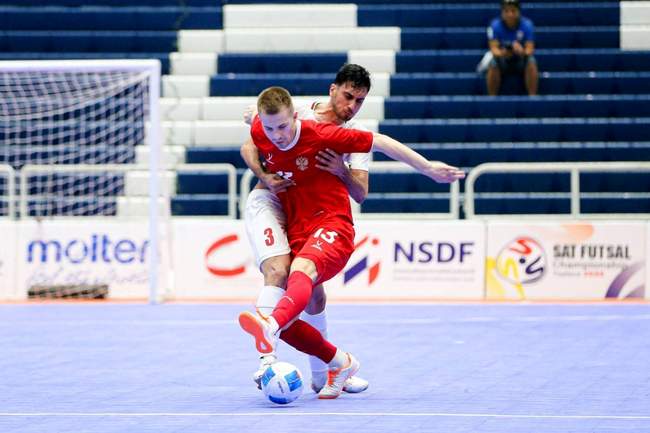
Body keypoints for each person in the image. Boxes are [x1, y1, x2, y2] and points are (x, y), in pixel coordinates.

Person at [238, 86, 465, 399]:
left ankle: (269, 329)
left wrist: (427, 168)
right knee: (301, 306)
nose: (276, 135)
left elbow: (380, 143)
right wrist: (263, 172)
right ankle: (339, 363)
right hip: (298, 225)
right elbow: (251, 139)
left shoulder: (323, 133)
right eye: (270, 128)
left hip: (332, 223)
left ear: (295, 116)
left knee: (295, 282)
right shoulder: (262, 129)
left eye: (282, 126)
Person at [240, 64, 372, 394]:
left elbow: (360, 193)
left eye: (359, 101)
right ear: (332, 90)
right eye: (348, 96)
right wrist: (264, 175)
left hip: (309, 215)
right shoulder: (298, 113)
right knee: (278, 271)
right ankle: (267, 362)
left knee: (313, 292)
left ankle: (328, 370)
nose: (352, 106)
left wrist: (341, 170)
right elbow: (250, 144)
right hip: (271, 199)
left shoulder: (353, 135)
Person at [485, 0, 538, 96]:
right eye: (506, 11)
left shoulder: (527, 24)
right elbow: (494, 49)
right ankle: (492, 98)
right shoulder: (495, 25)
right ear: (502, 12)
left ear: (519, 12)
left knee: (531, 61)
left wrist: (521, 51)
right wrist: (503, 53)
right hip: (503, 60)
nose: (510, 14)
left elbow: (529, 49)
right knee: (493, 62)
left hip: (520, 59)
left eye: (513, 11)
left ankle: (532, 97)